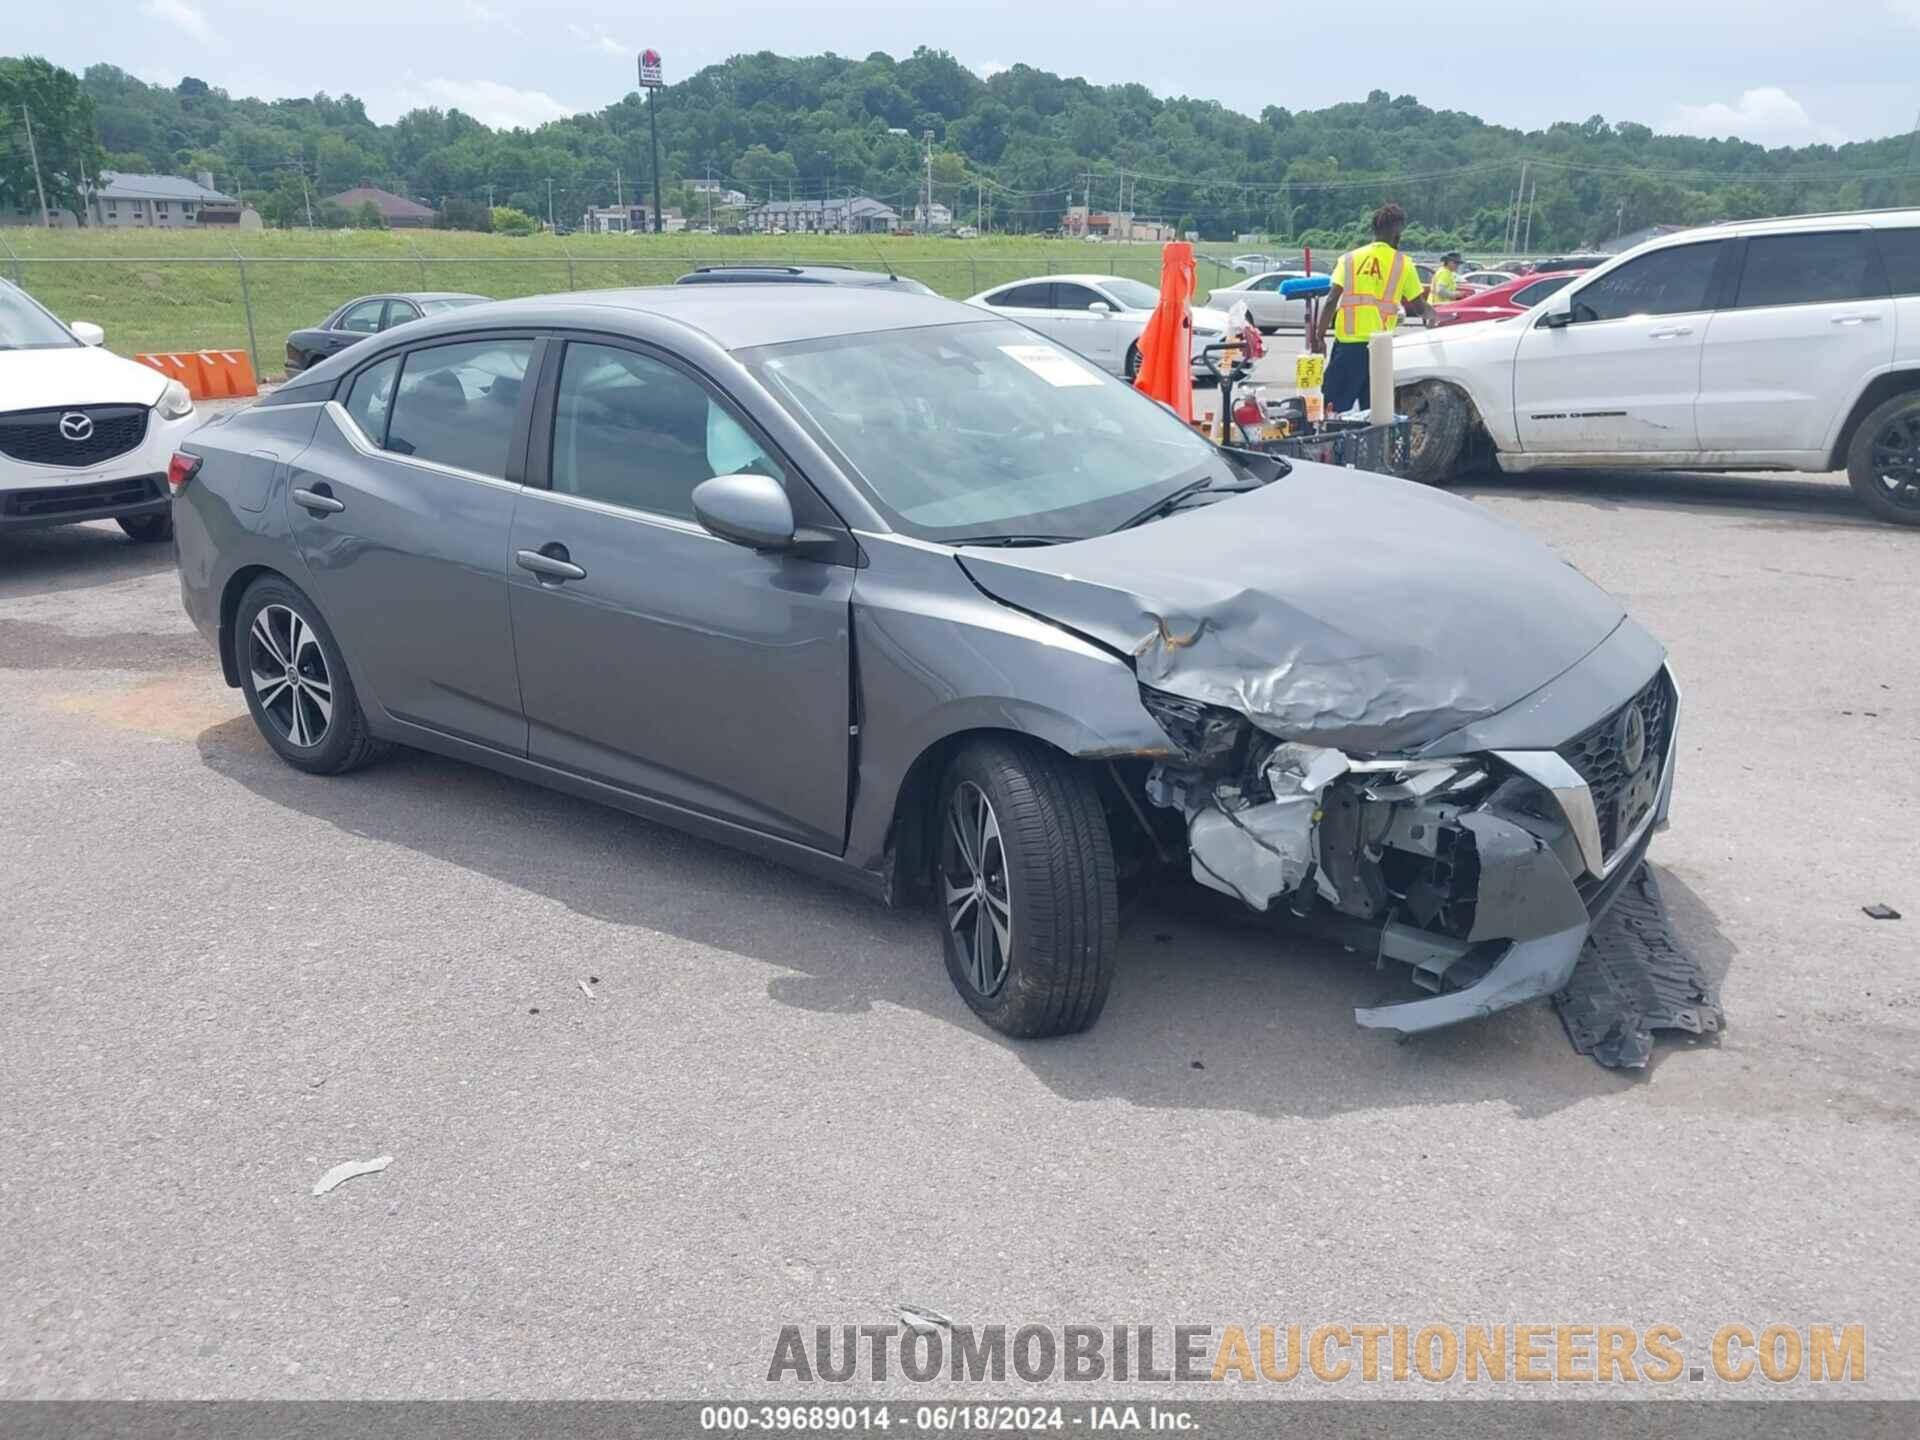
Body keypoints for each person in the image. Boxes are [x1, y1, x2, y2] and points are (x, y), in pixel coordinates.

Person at [1308, 203, 1434, 415]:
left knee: (1332, 411)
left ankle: (1331, 447)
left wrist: (1319, 337)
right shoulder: (1404, 264)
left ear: (1374, 231)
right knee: (1376, 415)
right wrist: (1436, 316)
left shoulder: (1349, 259)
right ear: (1397, 234)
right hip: (1380, 351)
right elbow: (1420, 307)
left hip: (1348, 348)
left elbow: (1331, 300)